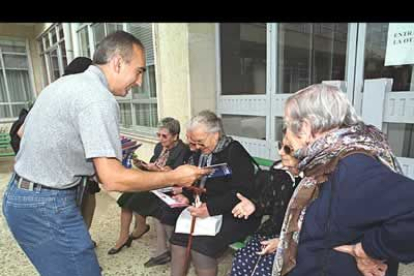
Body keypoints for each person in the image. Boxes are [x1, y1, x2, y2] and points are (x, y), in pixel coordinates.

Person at [2, 31, 208, 276]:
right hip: (47, 204)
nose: (140, 82)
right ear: (118, 62)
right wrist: (175, 176)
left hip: (22, 196)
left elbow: (23, 132)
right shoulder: (98, 98)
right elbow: (112, 179)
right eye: (140, 71)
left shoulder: (63, 84)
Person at [272, 83, 414, 276]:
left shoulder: (353, 166)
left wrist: (368, 250)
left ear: (305, 128)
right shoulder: (327, 161)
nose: (286, 134)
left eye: (287, 125)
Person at [169, 110, 261, 276]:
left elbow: (243, 191)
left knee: (201, 247)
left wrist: (210, 208)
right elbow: (195, 184)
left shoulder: (234, 151)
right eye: (193, 143)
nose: (196, 147)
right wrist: (186, 195)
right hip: (205, 209)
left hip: (237, 212)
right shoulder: (199, 153)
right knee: (178, 241)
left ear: (216, 134)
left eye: (199, 142)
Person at [108, 117, 191, 258]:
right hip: (153, 181)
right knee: (125, 198)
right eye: (158, 135)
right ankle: (123, 237)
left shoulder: (183, 150)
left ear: (175, 136)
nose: (160, 139)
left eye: (164, 136)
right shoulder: (160, 147)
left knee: (136, 199)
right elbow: (153, 164)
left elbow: (177, 175)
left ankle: (140, 228)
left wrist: (159, 170)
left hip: (168, 187)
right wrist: (143, 165)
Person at [230, 136, 302, 276]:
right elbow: (267, 200)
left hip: (299, 239)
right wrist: (255, 206)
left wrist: (283, 242)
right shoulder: (279, 171)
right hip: (272, 230)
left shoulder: (314, 180)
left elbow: (314, 223)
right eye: (280, 146)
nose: (280, 152)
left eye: (287, 148)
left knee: (264, 270)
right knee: (242, 261)